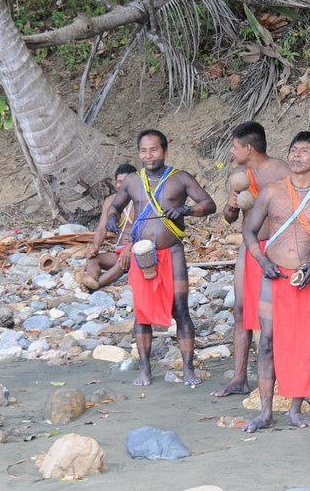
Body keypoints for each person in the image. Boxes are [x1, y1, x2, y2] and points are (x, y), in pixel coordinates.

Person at [240, 131, 310, 433]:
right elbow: (250, 232)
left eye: (304, 151)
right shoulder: (272, 191)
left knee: (303, 342)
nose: (296, 156)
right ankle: (265, 411)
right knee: (267, 341)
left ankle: (295, 409)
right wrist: (262, 261)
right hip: (272, 274)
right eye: (293, 150)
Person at [107, 129, 216, 387]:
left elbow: (208, 204)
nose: (149, 155)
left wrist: (184, 209)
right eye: (144, 151)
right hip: (142, 254)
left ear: (164, 151)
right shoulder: (133, 181)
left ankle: (188, 369)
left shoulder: (180, 179)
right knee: (142, 314)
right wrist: (112, 217)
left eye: (154, 150)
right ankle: (145, 369)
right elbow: (115, 205)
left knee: (180, 309)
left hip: (173, 253)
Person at [211, 122, 290, 398]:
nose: (231, 151)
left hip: (277, 246)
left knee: (274, 313)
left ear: (248, 147)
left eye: (234, 146)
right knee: (241, 311)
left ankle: (279, 376)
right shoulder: (238, 173)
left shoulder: (281, 170)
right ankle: (239, 378)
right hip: (250, 246)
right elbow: (230, 218)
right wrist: (231, 205)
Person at [77, 163, 136, 292]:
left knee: (123, 261)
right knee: (93, 259)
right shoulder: (110, 201)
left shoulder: (141, 200)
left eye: (126, 181)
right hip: (119, 250)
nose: (122, 185)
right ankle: (91, 280)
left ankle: (95, 285)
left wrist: (130, 249)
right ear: (116, 184)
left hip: (137, 252)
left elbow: (148, 232)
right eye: (120, 181)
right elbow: (102, 228)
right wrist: (95, 247)